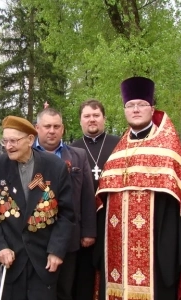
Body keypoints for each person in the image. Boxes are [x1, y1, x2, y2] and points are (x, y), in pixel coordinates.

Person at [95, 77, 181, 300]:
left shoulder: (169, 148)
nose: (136, 110)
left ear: (152, 108)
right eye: (130, 105)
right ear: (124, 110)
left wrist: (169, 253)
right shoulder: (117, 152)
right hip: (116, 255)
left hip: (157, 253)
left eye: (141, 104)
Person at [0, 116, 75, 300]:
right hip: (10, 261)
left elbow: (67, 214)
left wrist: (56, 250)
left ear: (30, 140)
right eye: (5, 140)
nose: (8, 146)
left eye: (14, 141)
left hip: (43, 262)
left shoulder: (55, 167)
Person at [34, 108, 96, 300]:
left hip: (69, 235)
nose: (51, 131)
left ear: (63, 129)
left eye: (56, 126)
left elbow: (87, 194)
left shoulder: (78, 156)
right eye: (47, 126)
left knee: (64, 290)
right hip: (34, 236)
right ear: (37, 128)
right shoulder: (26, 155)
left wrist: (88, 231)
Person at [70, 99, 120, 300]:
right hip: (82, 223)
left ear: (104, 118)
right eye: (87, 116)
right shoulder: (72, 149)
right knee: (83, 276)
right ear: (80, 121)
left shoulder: (119, 145)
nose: (92, 120)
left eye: (96, 115)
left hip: (112, 219)